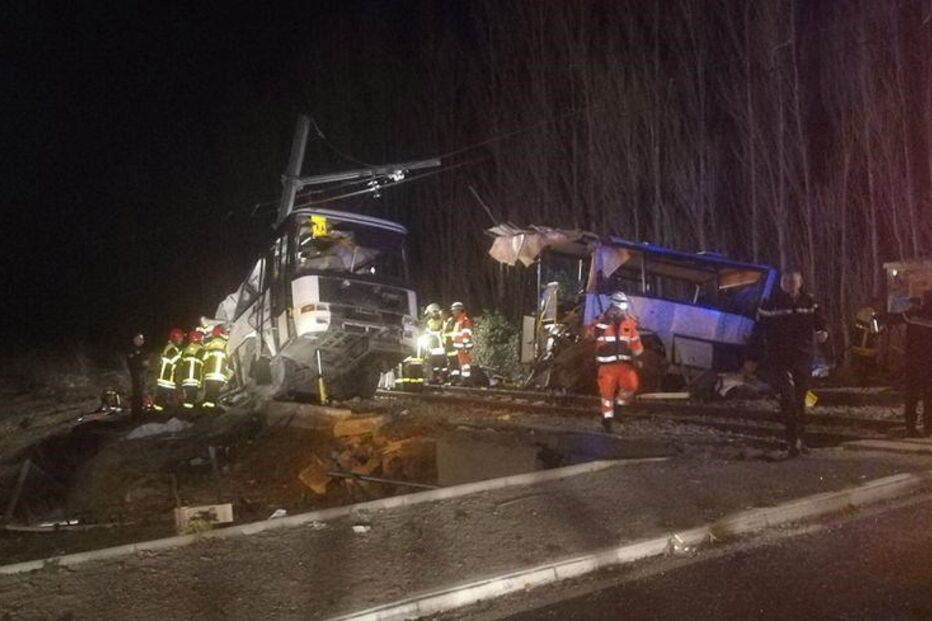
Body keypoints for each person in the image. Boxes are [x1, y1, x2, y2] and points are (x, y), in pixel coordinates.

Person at [754, 269, 828, 457]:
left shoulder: (809, 302)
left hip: (803, 356)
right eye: (787, 282)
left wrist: (822, 332)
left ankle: (800, 440)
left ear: (800, 283)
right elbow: (759, 330)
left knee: (802, 399)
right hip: (779, 357)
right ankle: (791, 440)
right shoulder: (771, 303)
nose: (790, 285)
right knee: (788, 398)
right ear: (781, 284)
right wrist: (752, 357)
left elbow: (820, 322)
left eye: (793, 282)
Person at [587, 291, 644, 433]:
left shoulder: (630, 323)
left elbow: (635, 343)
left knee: (631, 386)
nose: (620, 311)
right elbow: (590, 335)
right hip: (606, 367)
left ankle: (619, 407)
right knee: (607, 396)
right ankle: (607, 421)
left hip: (625, 365)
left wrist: (639, 358)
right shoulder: (601, 322)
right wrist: (603, 323)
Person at [886, 291, 932, 436]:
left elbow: (892, 318)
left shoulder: (912, 315)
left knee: (912, 395)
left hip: (913, 361)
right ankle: (929, 427)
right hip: (929, 363)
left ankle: (911, 426)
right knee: (929, 396)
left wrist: (876, 319)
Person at [154, 328, 185, 413]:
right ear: (175, 338)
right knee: (166, 400)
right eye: (180, 338)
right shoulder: (172, 349)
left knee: (161, 399)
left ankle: (157, 415)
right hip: (167, 379)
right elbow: (178, 363)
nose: (182, 340)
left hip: (164, 378)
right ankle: (161, 417)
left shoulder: (169, 347)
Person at [202, 325, 231, 410]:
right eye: (224, 332)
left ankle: (205, 411)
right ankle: (212, 411)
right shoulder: (225, 343)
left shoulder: (209, 344)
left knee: (208, 394)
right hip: (219, 374)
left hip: (208, 374)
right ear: (221, 333)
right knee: (214, 394)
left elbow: (204, 357)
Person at [178, 330, 205, 410]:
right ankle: (187, 415)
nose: (202, 340)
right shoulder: (200, 348)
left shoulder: (187, 349)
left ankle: (186, 413)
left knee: (189, 397)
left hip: (186, 377)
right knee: (191, 397)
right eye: (202, 338)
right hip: (193, 377)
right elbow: (207, 359)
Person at [450, 302, 475, 384]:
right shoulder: (459, 321)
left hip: (463, 347)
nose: (453, 312)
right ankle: (464, 379)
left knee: (465, 364)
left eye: (454, 310)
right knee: (462, 363)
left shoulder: (464, 320)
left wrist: (464, 345)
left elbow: (466, 334)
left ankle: (466, 380)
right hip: (459, 347)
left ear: (459, 310)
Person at [422, 303, 446, 384]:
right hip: (432, 345)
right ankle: (434, 378)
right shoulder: (429, 322)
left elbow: (443, 331)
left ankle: (443, 378)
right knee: (433, 363)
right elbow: (427, 332)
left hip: (440, 345)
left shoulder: (442, 321)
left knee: (442, 363)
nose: (430, 315)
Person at [126, 333, 149, 417]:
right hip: (135, 374)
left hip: (142, 374)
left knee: (141, 393)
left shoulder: (143, 351)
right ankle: (135, 413)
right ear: (134, 340)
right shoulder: (131, 350)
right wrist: (141, 363)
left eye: (142, 339)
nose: (141, 341)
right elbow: (132, 362)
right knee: (136, 393)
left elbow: (146, 362)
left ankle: (139, 410)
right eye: (139, 339)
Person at [441, 308, 460, 383]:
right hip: (447, 345)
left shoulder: (451, 321)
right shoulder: (444, 322)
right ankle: (451, 378)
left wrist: (445, 334)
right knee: (450, 363)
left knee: (453, 362)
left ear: (446, 314)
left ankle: (455, 379)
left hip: (452, 344)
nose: (441, 316)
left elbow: (451, 332)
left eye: (442, 315)